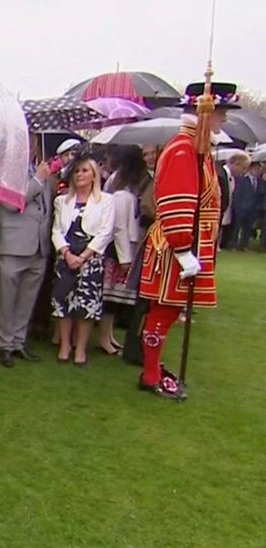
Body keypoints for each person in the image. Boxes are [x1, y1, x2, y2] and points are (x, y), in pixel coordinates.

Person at [137, 82, 238, 399]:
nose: (223, 121)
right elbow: (177, 204)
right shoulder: (184, 150)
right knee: (163, 312)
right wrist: (183, 249)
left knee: (166, 312)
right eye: (220, 114)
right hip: (175, 247)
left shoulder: (197, 150)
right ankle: (151, 374)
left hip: (185, 246)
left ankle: (153, 369)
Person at [51, 154, 114, 366]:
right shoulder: (62, 201)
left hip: (90, 259)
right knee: (63, 303)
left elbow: (105, 232)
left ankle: (80, 349)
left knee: (85, 305)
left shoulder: (105, 201)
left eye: (85, 171)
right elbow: (56, 231)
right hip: (66, 256)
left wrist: (84, 256)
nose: (80, 175)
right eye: (77, 171)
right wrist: (67, 254)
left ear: (94, 175)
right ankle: (65, 345)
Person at [0, 146, 52, 368]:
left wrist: (41, 177)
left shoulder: (40, 170)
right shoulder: (4, 172)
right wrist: (37, 181)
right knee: (7, 299)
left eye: (33, 142)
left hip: (38, 245)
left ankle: (19, 341)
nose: (30, 147)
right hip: (12, 245)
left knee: (27, 298)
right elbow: (10, 203)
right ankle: (4, 344)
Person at [97, 146, 146, 355]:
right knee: (109, 298)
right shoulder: (122, 195)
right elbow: (119, 228)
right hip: (117, 251)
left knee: (114, 300)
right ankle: (103, 338)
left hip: (122, 249)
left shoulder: (124, 189)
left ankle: (108, 336)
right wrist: (126, 257)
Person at [231, 154, 259, 251]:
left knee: (247, 227)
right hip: (241, 207)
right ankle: (233, 244)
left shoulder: (258, 180)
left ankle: (244, 245)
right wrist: (238, 206)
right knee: (237, 227)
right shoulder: (242, 179)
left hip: (252, 208)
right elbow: (238, 193)